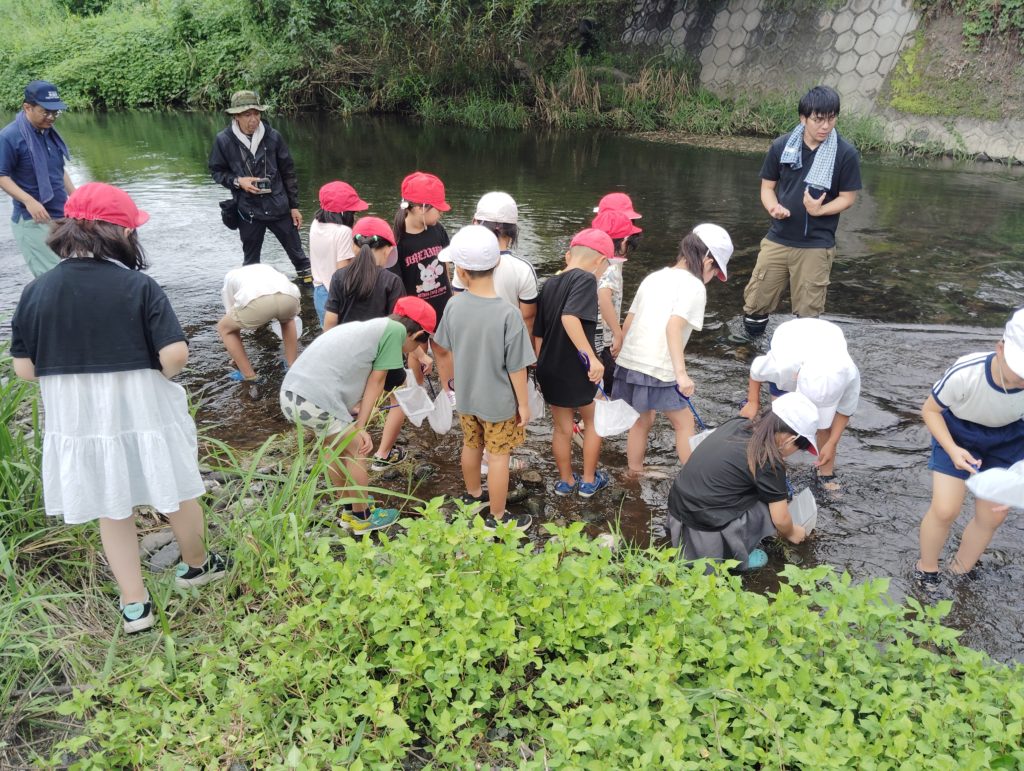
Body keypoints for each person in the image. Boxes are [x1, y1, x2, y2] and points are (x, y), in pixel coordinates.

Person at [10, 183, 227, 634]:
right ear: (119, 233)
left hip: (81, 421)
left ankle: (135, 605)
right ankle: (197, 566)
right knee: (177, 486)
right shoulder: (138, 286)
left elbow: (25, 369)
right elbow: (175, 356)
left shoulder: (36, 291)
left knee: (112, 505)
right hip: (145, 409)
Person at [280, 296, 437, 533]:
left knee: (333, 449)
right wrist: (361, 426)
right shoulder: (395, 333)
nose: (413, 352)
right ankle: (363, 518)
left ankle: (348, 510)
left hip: (293, 395)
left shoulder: (374, 327)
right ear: (417, 334)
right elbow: (377, 380)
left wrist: (353, 411)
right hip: (315, 400)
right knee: (357, 449)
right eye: (419, 345)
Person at [432, 225, 536, 530]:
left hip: (466, 398)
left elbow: (443, 348)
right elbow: (517, 367)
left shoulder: (453, 305)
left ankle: (473, 495)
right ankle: (498, 517)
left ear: (462, 272)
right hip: (499, 403)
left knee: (471, 444)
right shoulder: (508, 314)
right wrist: (524, 404)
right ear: (497, 263)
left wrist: (450, 385)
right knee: (499, 456)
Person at [914, 309, 1024, 588]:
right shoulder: (967, 372)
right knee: (945, 509)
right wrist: (952, 449)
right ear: (1001, 349)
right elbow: (930, 410)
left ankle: (960, 570)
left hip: (1010, 440)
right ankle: (927, 569)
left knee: (994, 514)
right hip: (957, 434)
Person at [741, 85, 862, 337]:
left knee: (808, 315)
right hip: (778, 238)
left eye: (831, 119)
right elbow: (767, 188)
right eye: (818, 119)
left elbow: (848, 198)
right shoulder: (782, 146)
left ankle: (800, 358)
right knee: (755, 303)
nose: (825, 126)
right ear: (803, 118)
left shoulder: (845, 153)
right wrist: (773, 207)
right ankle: (747, 351)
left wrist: (820, 210)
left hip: (816, 244)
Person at [614, 224, 733, 472]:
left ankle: (634, 472)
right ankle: (692, 480)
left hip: (630, 362)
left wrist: (620, 356)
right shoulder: (695, 287)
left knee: (641, 421)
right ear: (708, 260)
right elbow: (673, 327)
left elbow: (629, 320)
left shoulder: (654, 277)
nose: (712, 277)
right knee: (684, 423)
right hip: (658, 367)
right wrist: (681, 374)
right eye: (715, 270)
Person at [667, 392, 815, 570]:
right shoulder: (767, 460)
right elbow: (781, 519)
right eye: (800, 448)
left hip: (677, 510)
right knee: (768, 508)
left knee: (765, 494)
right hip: (706, 528)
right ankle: (734, 554)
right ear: (791, 439)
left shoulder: (739, 423)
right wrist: (792, 532)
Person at [373, 171, 451, 470]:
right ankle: (416, 395)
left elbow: (445, 267)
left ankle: (449, 393)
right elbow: (397, 288)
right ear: (419, 208)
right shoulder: (398, 242)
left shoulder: (437, 230)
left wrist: (452, 296)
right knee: (416, 356)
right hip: (414, 314)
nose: (439, 214)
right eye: (436, 208)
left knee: (443, 350)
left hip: (441, 304)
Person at [534, 228, 612, 498]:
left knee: (562, 429)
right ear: (600, 261)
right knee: (594, 422)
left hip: (549, 368)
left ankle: (566, 482)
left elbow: (539, 334)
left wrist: (541, 366)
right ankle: (589, 482)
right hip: (577, 369)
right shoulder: (586, 279)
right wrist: (592, 359)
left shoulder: (549, 283)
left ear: (570, 255)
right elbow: (569, 317)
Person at [739, 318, 860, 489]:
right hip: (789, 338)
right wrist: (753, 401)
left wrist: (832, 442)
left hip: (829, 338)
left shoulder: (849, 376)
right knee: (781, 422)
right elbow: (756, 370)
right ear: (797, 378)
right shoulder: (782, 367)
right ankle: (774, 466)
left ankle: (825, 475)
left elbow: (844, 412)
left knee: (825, 429)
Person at [208, 90, 312, 282]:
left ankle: (311, 292)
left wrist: (294, 206)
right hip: (248, 211)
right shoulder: (224, 140)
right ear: (236, 116)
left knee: (300, 259)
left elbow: (288, 172)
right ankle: (252, 293)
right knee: (251, 264)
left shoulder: (273, 136)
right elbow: (217, 172)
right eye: (247, 114)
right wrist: (239, 181)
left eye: (257, 113)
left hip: (278, 207)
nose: (254, 119)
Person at [0, 80, 75, 278]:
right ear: (28, 107)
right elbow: (1, 175)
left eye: (55, 112)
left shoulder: (49, 133)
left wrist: (77, 198)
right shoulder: (9, 137)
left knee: (74, 274)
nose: (51, 117)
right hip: (33, 220)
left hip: (61, 216)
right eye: (45, 112)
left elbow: (58, 169)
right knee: (52, 279)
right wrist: (29, 200)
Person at [453, 191, 539, 335]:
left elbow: (458, 309)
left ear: (476, 223)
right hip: (511, 340)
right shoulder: (523, 269)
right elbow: (528, 319)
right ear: (513, 230)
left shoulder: (463, 262)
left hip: (473, 337)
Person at [217, 263, 301, 382]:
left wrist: (235, 357)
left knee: (225, 328)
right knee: (287, 320)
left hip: (256, 298)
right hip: (289, 295)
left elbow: (232, 315)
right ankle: (292, 365)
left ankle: (249, 376)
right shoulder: (266, 268)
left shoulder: (229, 277)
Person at [323, 216, 405, 330]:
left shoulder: (338, 276)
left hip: (346, 339)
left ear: (353, 247)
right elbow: (397, 325)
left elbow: (331, 320)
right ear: (388, 250)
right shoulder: (392, 282)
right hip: (378, 340)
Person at [590, 208, 641, 394]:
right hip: (601, 336)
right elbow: (604, 296)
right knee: (608, 386)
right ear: (625, 241)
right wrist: (617, 333)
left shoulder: (591, 259)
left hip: (589, 330)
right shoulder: (611, 265)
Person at [309, 181, 368, 324]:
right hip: (337, 296)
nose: (354, 215)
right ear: (343, 213)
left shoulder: (315, 224)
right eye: (352, 212)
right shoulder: (343, 232)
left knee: (329, 334)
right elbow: (343, 272)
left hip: (319, 292)